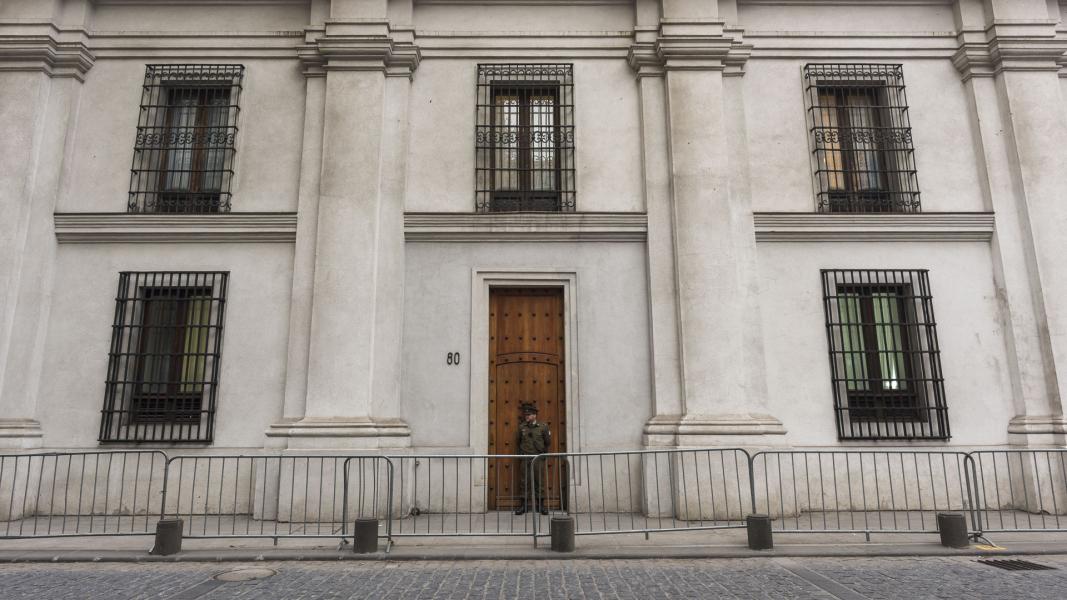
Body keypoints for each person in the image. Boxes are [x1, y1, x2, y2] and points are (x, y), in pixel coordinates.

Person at [514, 402, 551, 516]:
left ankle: (541, 506)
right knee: (524, 481)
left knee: (539, 481)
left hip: (538, 458)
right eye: (526, 415)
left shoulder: (543, 427)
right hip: (525, 458)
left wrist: (542, 453)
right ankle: (524, 506)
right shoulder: (522, 428)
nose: (527, 417)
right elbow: (518, 441)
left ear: (535, 415)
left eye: (529, 415)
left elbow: (547, 442)